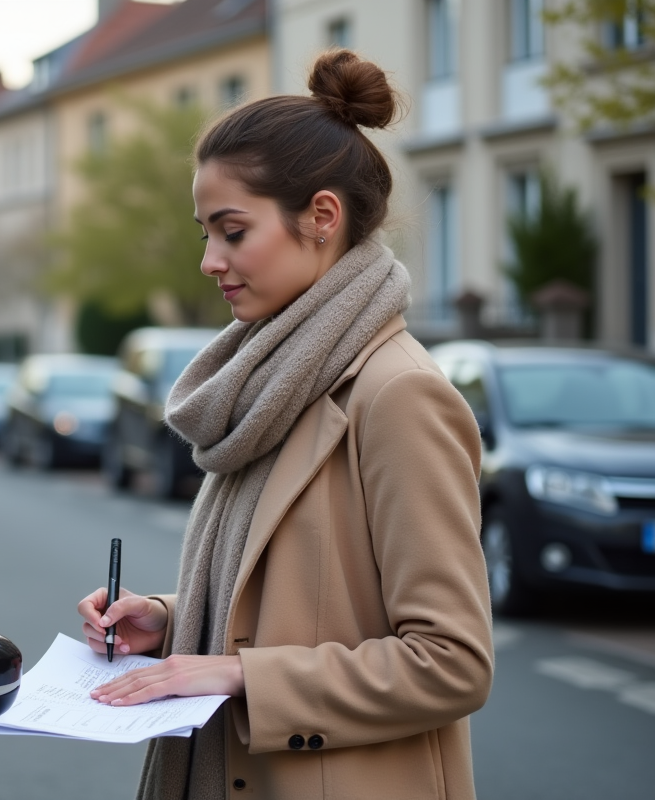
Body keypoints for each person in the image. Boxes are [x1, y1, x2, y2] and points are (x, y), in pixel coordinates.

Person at [77, 49, 493, 800]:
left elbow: (452, 661)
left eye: (232, 231)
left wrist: (242, 676)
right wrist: (168, 622)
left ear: (322, 218)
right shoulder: (266, 387)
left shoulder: (396, 396)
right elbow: (293, 598)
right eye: (206, 233)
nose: (210, 260)